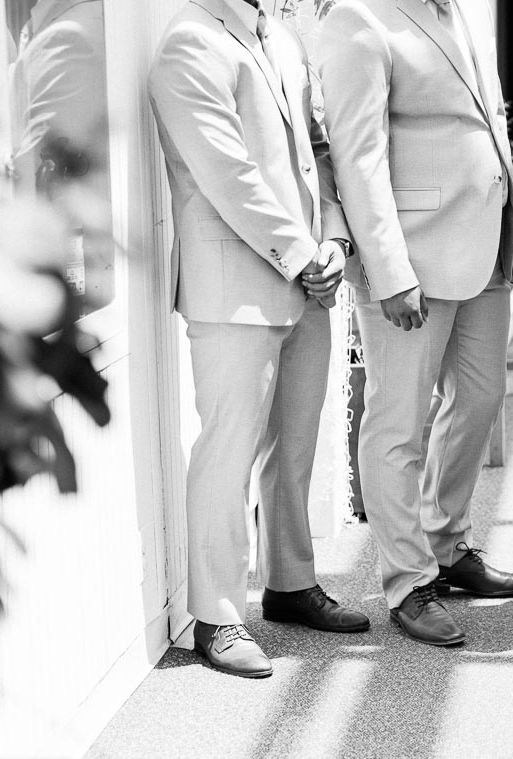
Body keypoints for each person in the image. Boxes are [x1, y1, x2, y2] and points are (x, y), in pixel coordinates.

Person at [150, 0, 370, 678]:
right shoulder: (188, 43)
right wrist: (303, 255)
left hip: (307, 278)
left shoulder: (278, 38)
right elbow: (228, 176)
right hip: (235, 288)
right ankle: (216, 616)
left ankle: (290, 584)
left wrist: (334, 240)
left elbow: (316, 155)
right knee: (229, 452)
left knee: (294, 448)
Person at [318, 0, 513, 648]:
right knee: (398, 423)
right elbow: (357, 156)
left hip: (484, 246)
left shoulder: (462, 11)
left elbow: (491, 125)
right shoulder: (357, 19)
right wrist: (389, 272)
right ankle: (408, 581)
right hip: (411, 257)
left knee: (480, 398)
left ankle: (446, 543)